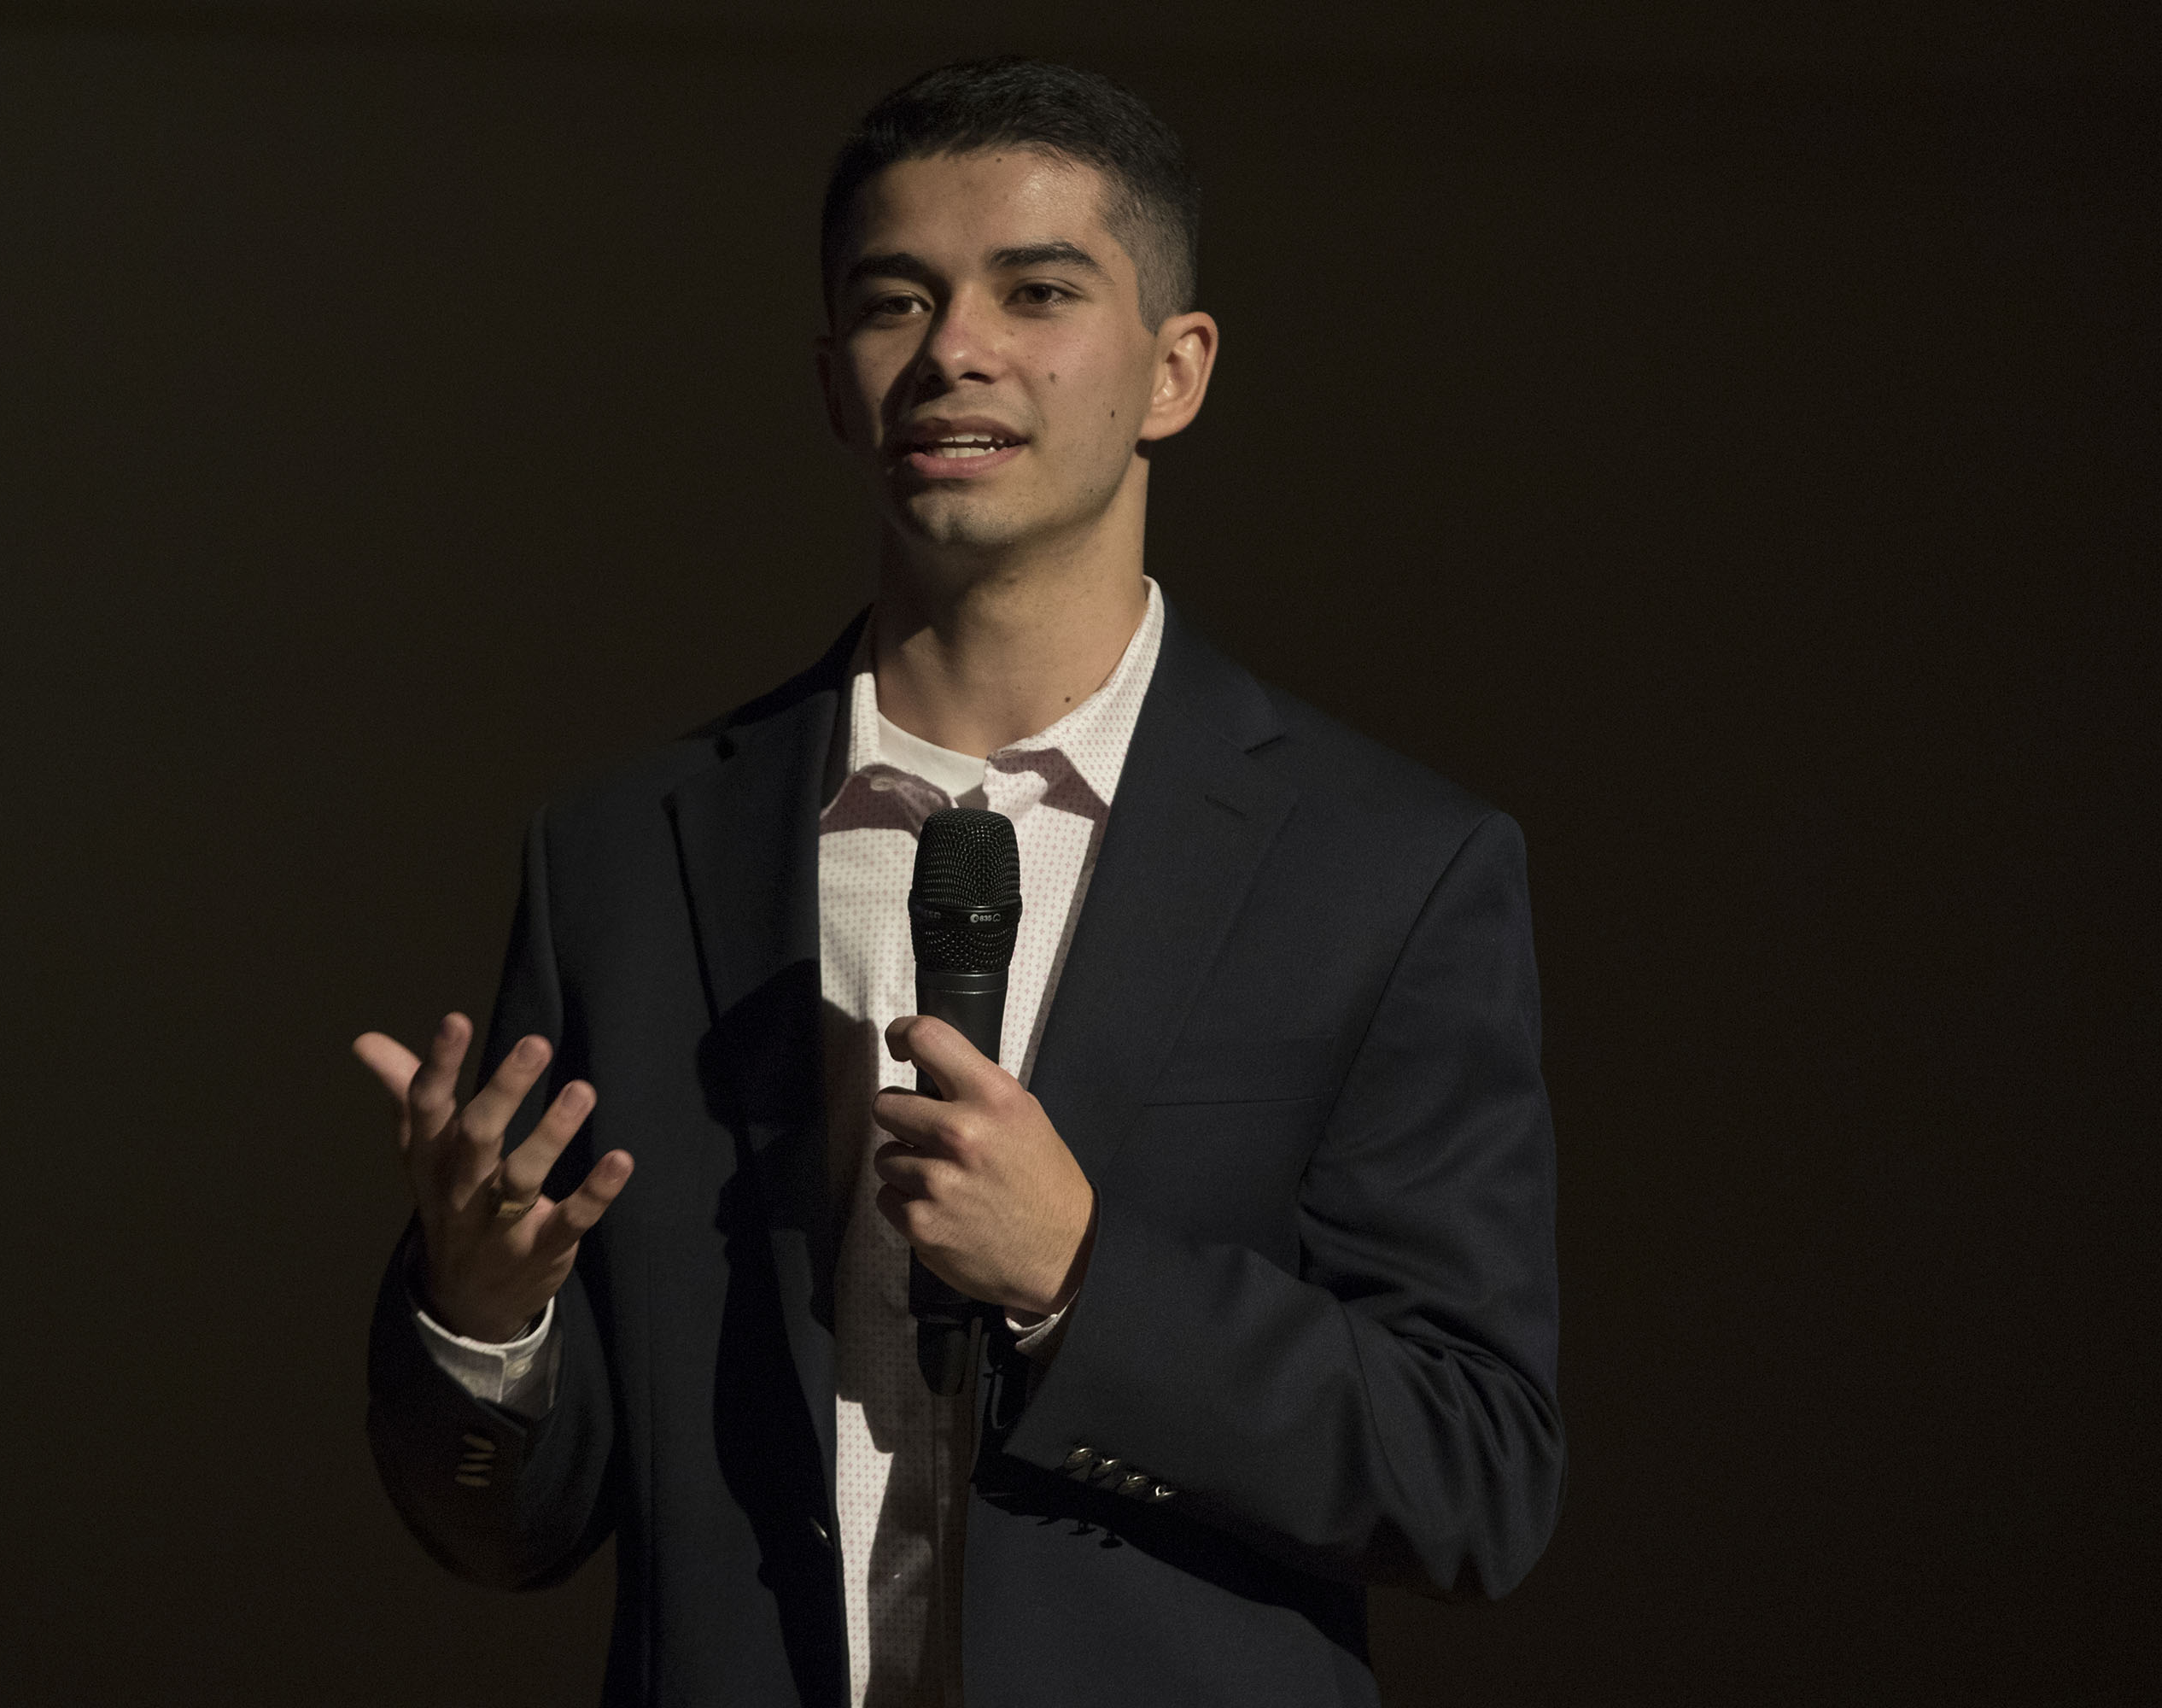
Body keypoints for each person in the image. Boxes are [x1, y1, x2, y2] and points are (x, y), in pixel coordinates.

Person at [352, 57, 1562, 1708]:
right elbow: (515, 1528)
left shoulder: (1386, 866)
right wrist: (486, 1323)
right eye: (894, 301)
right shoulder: (626, 859)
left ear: (1175, 371)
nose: (955, 351)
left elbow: (1475, 1475)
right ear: (836, 383)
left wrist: (1083, 1280)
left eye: (1038, 290)